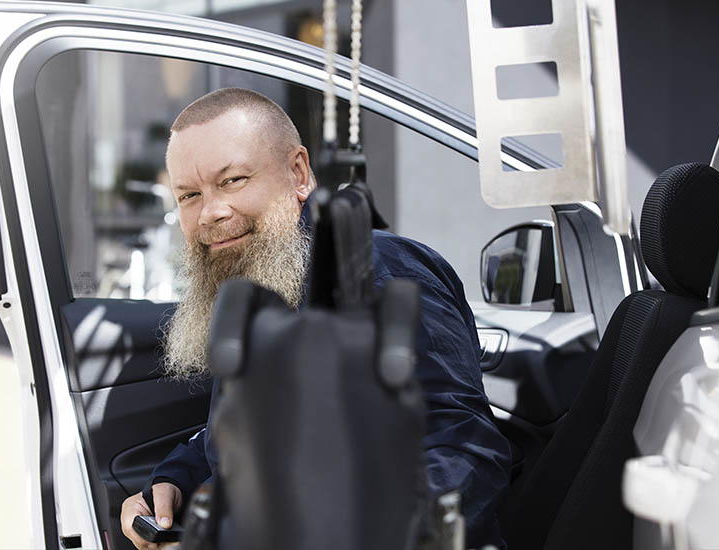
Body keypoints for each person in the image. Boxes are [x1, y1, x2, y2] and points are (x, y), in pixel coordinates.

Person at [120, 88, 511, 549]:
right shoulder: (260, 283)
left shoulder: (373, 273)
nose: (211, 212)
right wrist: (175, 482)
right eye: (188, 195)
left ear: (298, 173)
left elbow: (461, 450)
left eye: (233, 181)